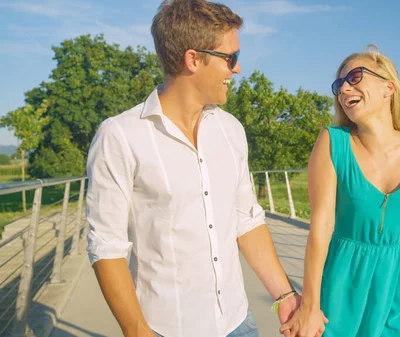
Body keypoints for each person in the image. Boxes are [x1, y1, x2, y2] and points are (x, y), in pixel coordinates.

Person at [85, 1, 305, 336]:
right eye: (230, 58)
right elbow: (107, 246)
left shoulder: (231, 130)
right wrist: (137, 331)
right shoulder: (120, 136)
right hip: (163, 328)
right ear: (193, 59)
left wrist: (285, 294)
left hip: (238, 322)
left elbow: (246, 219)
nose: (237, 69)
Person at [280, 46, 400, 337]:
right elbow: (321, 226)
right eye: (339, 85)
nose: (344, 88)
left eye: (355, 77)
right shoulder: (333, 143)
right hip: (344, 279)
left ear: (389, 88)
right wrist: (309, 303)